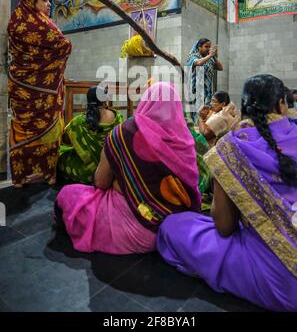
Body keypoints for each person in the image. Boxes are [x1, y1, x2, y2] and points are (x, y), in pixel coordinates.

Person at [157, 75, 297, 311]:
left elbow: (224, 226)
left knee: (174, 226)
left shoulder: (233, 147)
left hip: (286, 283)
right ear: (282, 104)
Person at [54, 82, 201, 254]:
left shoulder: (125, 133)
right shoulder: (185, 141)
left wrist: (123, 179)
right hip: (174, 228)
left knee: (68, 195)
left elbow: (101, 182)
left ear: (146, 102)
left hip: (135, 230)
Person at [8, 0, 72, 187]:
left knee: (21, 128)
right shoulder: (42, 25)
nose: (49, 3)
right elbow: (64, 45)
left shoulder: (14, 23)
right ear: (31, 1)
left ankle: (19, 178)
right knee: (47, 128)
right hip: (35, 90)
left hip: (21, 86)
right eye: (44, 0)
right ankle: (48, 174)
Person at [57, 86, 124, 184]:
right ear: (104, 99)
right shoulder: (118, 117)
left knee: (61, 156)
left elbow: (65, 141)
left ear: (88, 100)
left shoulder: (79, 122)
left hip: (90, 173)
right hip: (113, 169)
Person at [186, 38, 223, 123]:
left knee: (206, 114)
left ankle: (204, 131)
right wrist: (210, 55)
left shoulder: (210, 59)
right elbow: (198, 63)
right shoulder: (193, 56)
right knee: (197, 113)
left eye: (210, 47)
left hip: (207, 92)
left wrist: (214, 56)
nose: (208, 49)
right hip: (196, 92)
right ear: (199, 47)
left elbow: (220, 68)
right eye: (206, 46)